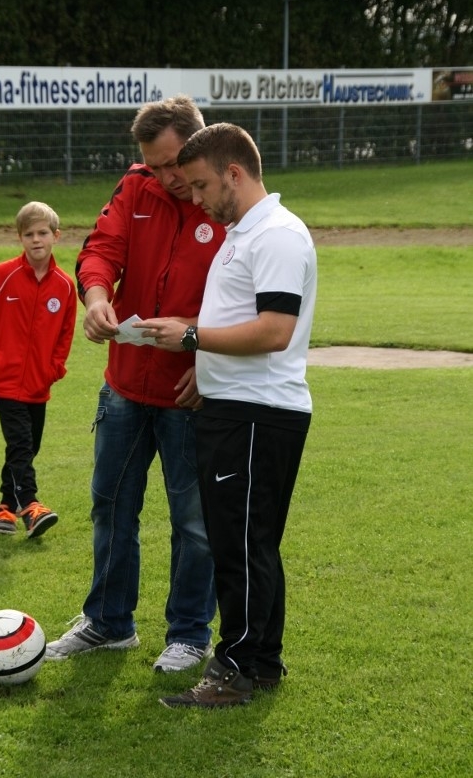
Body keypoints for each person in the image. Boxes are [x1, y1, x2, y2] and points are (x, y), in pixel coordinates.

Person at [135, 122, 317, 707]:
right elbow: (241, 320)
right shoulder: (244, 233)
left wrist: (190, 336)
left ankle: (233, 670)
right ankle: (261, 663)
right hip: (237, 410)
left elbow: (274, 330)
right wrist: (185, 332)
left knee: (238, 546)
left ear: (234, 174)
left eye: (201, 185)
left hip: (256, 413)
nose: (195, 198)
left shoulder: (278, 235)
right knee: (251, 542)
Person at [45, 96, 226, 672]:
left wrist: (208, 359)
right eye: (155, 165)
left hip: (189, 392)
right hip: (124, 385)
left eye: (174, 164)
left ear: (199, 146)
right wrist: (97, 298)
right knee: (110, 504)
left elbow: (246, 303)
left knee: (194, 521)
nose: (167, 177)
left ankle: (190, 634)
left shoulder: (227, 203)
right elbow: (100, 250)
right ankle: (108, 623)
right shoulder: (135, 186)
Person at [0, 201, 77, 538]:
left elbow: (65, 335)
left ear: (56, 236)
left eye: (42, 233)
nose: (36, 240)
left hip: (38, 384)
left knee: (28, 447)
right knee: (20, 445)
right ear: (20, 238)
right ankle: (31, 506)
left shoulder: (65, 285)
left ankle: (5, 508)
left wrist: (53, 370)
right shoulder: (2, 275)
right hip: (4, 381)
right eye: (29, 234)